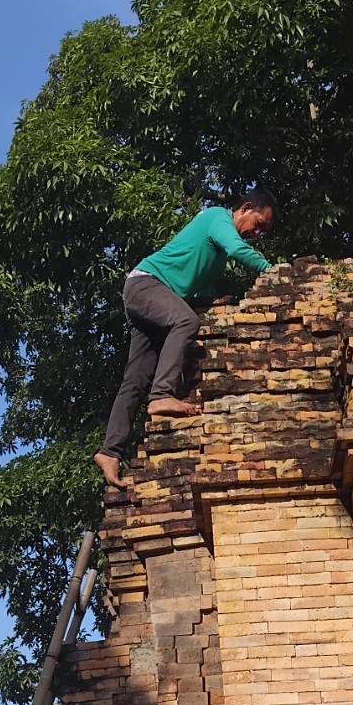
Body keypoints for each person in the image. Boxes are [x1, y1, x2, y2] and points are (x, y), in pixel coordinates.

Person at [93, 189, 278, 489]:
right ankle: (162, 395)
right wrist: (274, 272)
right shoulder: (218, 218)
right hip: (146, 285)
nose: (257, 233)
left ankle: (109, 451)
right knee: (185, 321)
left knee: (137, 377)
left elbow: (199, 293)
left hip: (150, 297)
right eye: (259, 224)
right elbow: (237, 250)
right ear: (245, 208)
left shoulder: (215, 254)